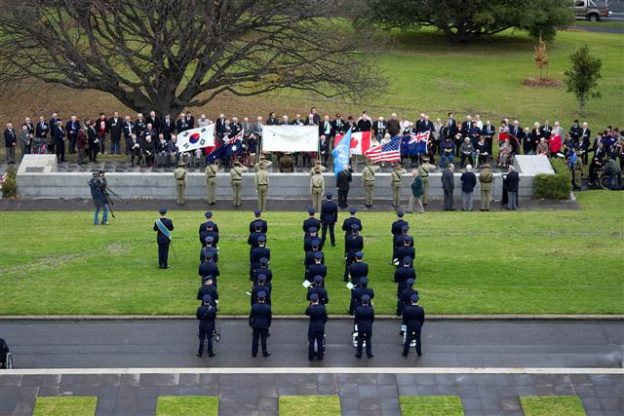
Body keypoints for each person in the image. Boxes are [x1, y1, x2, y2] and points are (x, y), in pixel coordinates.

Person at [305, 293, 328, 361]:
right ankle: (320, 357)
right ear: (318, 299)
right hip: (320, 326)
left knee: (311, 342)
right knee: (320, 342)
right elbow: (325, 318)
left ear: (311, 301)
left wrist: (311, 305)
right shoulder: (322, 308)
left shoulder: (310, 308)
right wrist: (322, 323)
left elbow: (306, 313)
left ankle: (311, 357)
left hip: (312, 327)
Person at [249, 291, 272, 357]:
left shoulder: (254, 306)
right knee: (263, 339)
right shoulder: (267, 307)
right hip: (264, 324)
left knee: (255, 339)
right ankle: (264, 352)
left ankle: (254, 352)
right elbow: (269, 317)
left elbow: (251, 316)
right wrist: (268, 324)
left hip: (256, 324)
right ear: (264, 298)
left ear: (258, 298)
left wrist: (251, 324)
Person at [402, 293, 425, 357]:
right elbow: (422, 319)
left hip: (409, 325)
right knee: (418, 339)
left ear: (411, 301)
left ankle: (405, 353)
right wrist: (420, 325)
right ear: (418, 300)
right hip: (418, 325)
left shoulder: (407, 309)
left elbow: (404, 319)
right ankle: (419, 352)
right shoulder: (420, 309)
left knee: (408, 339)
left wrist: (405, 325)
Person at [354, 294, 375, 359]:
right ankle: (369, 353)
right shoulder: (371, 309)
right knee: (368, 340)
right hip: (368, 326)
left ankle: (359, 354)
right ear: (368, 301)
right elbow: (372, 318)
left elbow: (356, 319)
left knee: (360, 340)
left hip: (361, 326)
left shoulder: (358, 309)